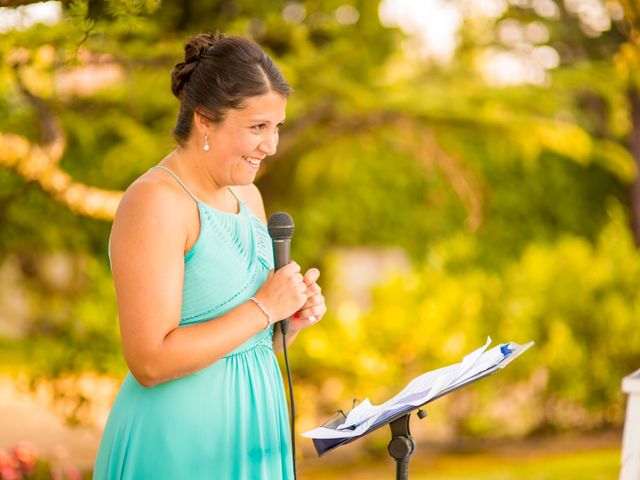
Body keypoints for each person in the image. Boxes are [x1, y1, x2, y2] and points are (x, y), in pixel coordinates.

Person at [93, 32, 326, 479]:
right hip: (180, 444)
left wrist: (286, 323)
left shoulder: (249, 197)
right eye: (257, 127)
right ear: (205, 120)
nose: (271, 145)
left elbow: (246, 342)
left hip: (255, 434)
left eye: (276, 127)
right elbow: (149, 361)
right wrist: (264, 307)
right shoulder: (155, 202)